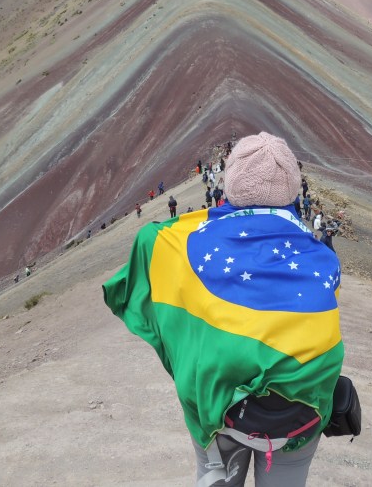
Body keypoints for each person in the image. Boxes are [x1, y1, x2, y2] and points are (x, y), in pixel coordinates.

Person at [104, 132, 344, 487]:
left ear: (230, 183)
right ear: (293, 190)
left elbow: (147, 242)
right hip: (299, 412)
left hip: (217, 404)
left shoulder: (187, 243)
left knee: (214, 473)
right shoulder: (323, 260)